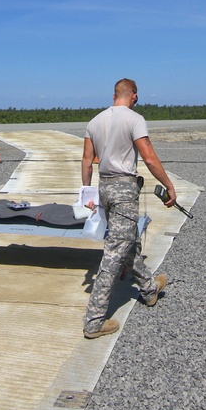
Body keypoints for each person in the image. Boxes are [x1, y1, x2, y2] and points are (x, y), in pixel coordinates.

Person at [81, 78, 178, 339]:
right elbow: (148, 157)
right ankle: (94, 321)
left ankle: (148, 289)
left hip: (104, 188)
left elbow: (87, 161)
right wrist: (168, 185)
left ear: (114, 95)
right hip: (124, 190)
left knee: (128, 242)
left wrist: (88, 194)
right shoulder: (134, 119)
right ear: (133, 95)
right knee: (114, 253)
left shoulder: (94, 122)